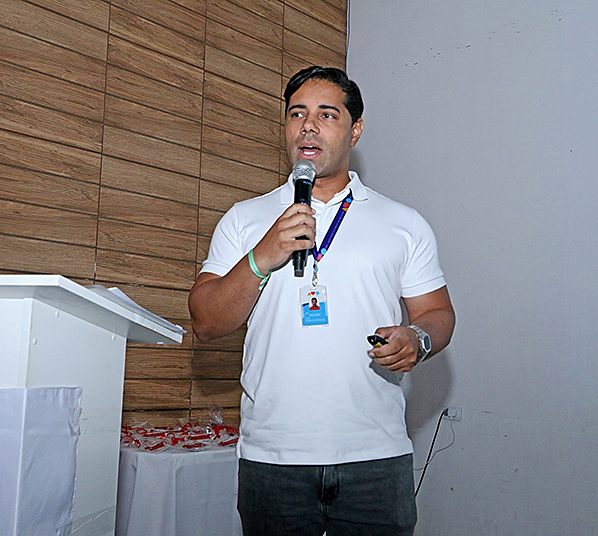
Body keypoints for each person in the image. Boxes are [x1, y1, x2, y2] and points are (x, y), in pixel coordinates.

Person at [188, 66, 455, 536]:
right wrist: (261, 257)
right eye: (297, 114)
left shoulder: (403, 223)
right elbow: (206, 322)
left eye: (327, 114)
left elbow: (437, 314)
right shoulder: (245, 219)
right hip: (273, 457)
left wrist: (419, 338)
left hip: (376, 455)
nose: (308, 126)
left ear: (355, 130)